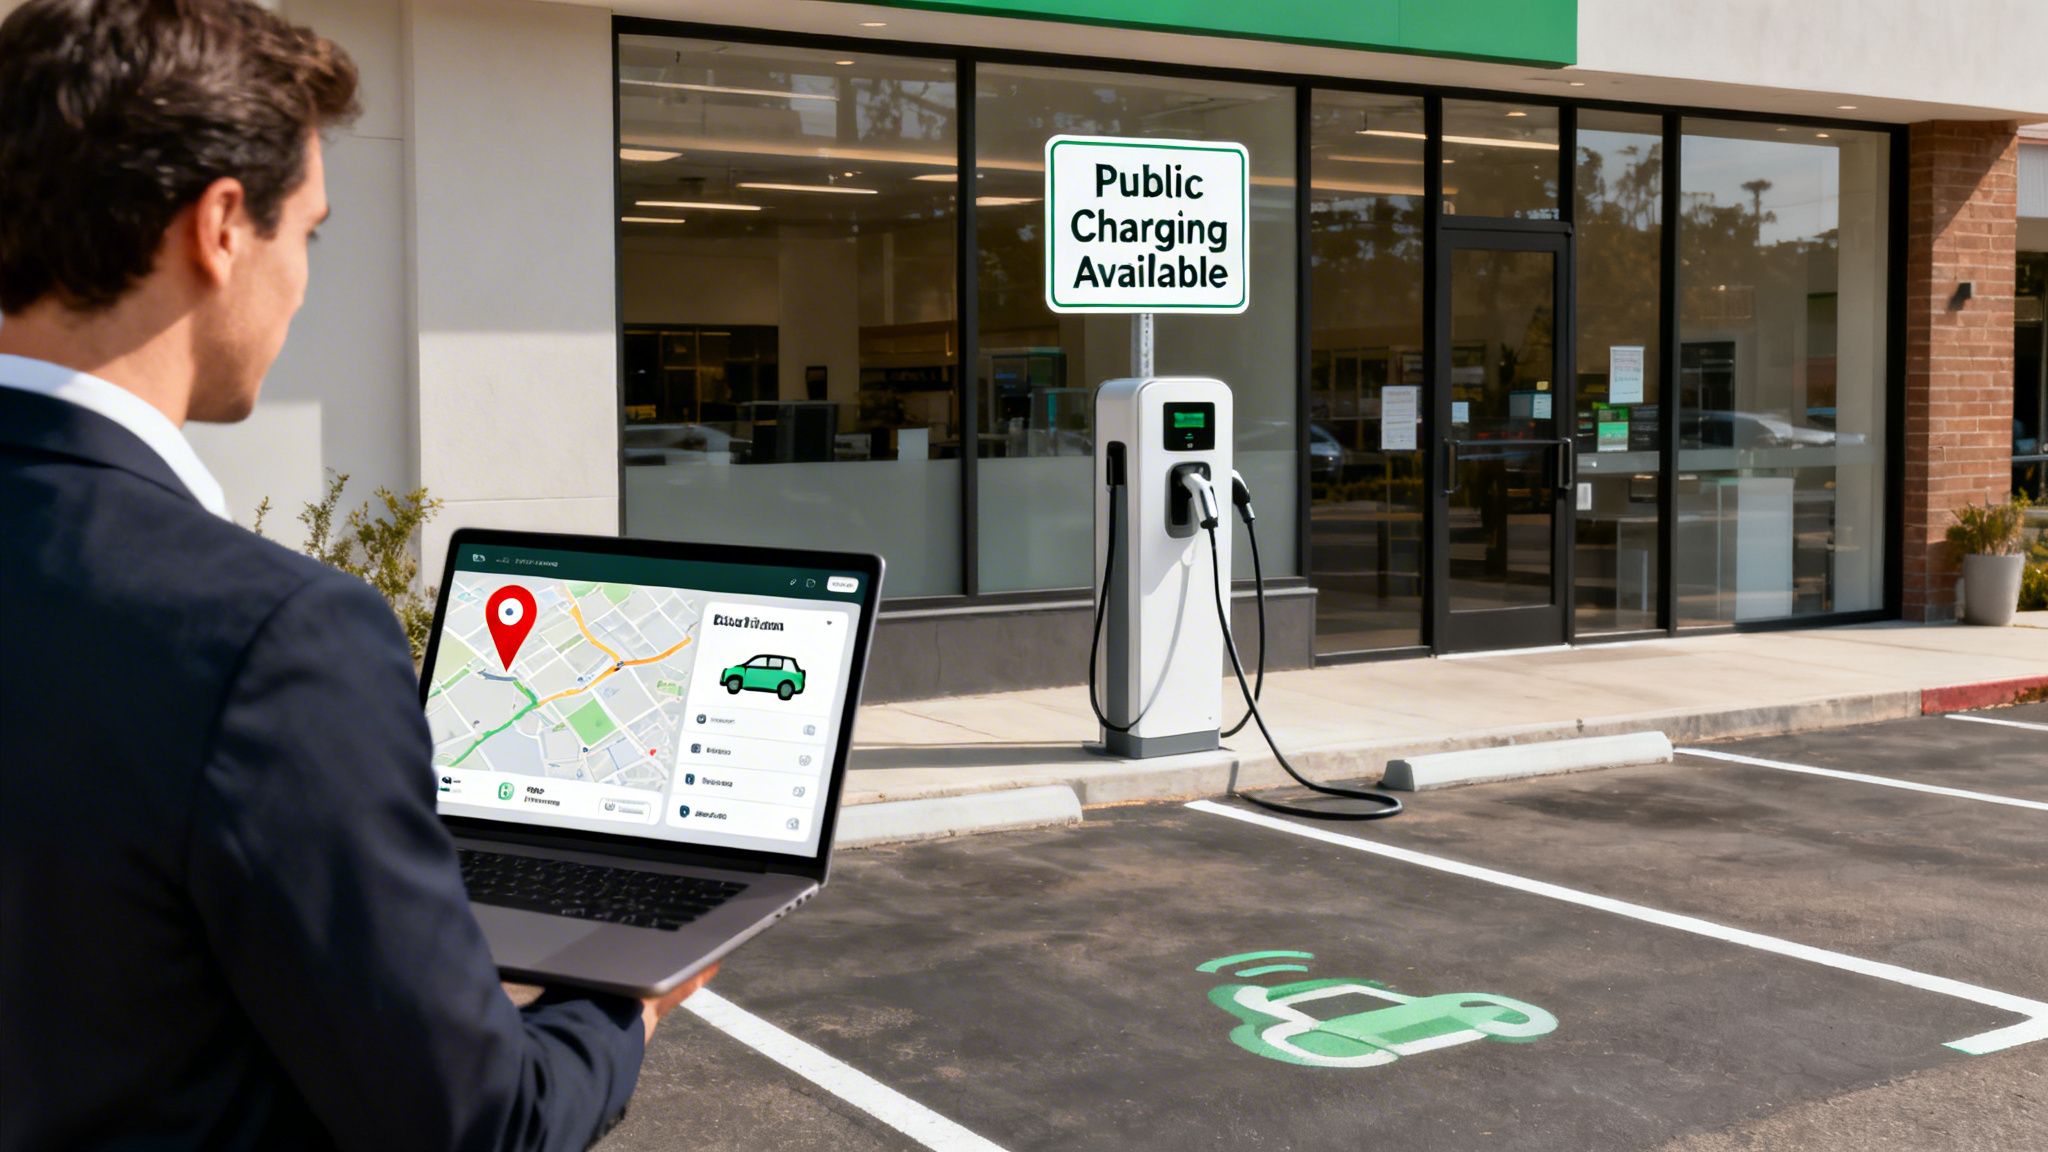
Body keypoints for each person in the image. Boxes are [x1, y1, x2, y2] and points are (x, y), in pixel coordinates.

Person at [0, 2, 709, 1148]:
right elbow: (479, 1124)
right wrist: (617, 1004)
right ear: (222, 226)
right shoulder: (270, 640)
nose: (302, 281)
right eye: (311, 236)